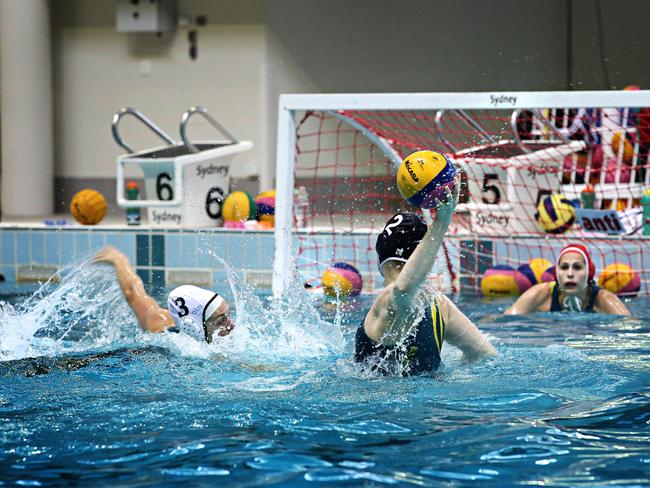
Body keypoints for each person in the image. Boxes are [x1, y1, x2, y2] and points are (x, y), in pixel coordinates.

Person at [355, 183, 496, 376]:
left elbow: (403, 288)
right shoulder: (440, 304)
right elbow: (484, 355)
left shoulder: (387, 302)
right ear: (427, 258)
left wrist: (441, 224)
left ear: (380, 254)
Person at [93, 246, 235, 342]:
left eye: (227, 316)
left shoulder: (160, 318)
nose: (231, 324)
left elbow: (134, 292)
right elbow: (131, 292)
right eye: (221, 320)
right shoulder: (160, 335)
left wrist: (119, 260)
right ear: (193, 327)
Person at [505, 243, 630, 315]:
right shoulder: (540, 294)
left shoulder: (603, 300)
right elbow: (508, 319)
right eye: (564, 267)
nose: (570, 274)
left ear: (589, 272)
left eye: (577, 267)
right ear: (556, 272)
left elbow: (630, 328)